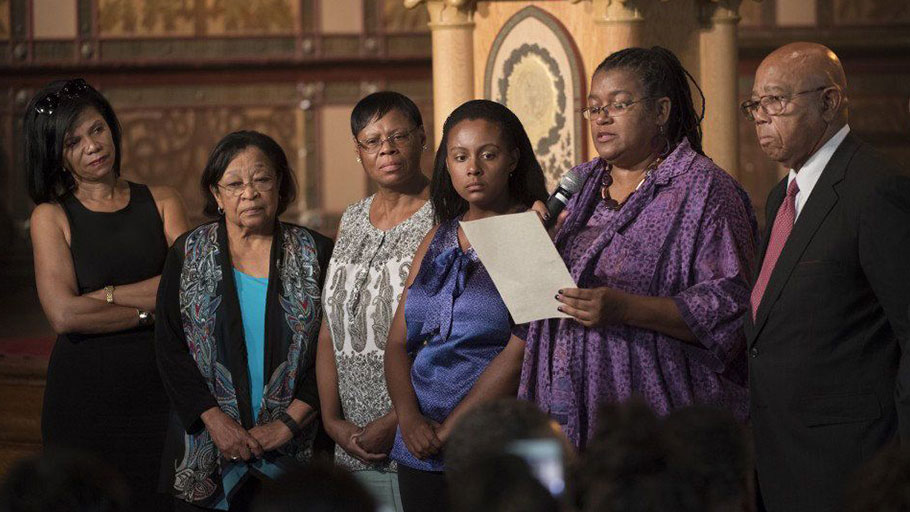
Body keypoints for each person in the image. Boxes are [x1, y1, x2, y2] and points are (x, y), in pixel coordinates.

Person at [520, 46, 758, 449]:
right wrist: (533, 248)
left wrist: (625, 309)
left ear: (661, 111)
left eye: (618, 104)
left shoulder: (706, 190)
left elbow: (731, 308)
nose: (602, 118)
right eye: (593, 108)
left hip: (656, 417)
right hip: (563, 407)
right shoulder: (579, 185)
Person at [743, 42, 910, 512]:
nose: (760, 116)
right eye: (755, 104)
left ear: (829, 102)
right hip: (780, 457)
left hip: (852, 466)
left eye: (776, 101)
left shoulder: (875, 189)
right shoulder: (782, 197)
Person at [24, 78, 189, 511]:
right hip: (84, 399)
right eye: (73, 141)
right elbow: (64, 314)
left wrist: (105, 295)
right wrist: (150, 312)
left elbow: (190, 288)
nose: (92, 145)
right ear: (58, 157)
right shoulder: (51, 217)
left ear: (112, 130)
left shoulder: (162, 201)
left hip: (161, 390)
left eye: (97, 130)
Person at [155, 131, 334, 511]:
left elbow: (330, 351)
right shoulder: (187, 254)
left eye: (262, 179)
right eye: (234, 184)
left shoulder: (315, 252)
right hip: (207, 450)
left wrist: (287, 424)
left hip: (294, 450)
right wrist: (215, 420)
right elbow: (170, 347)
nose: (249, 193)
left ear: (280, 184)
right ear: (217, 195)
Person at [384, 99, 548, 511]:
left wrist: (452, 429)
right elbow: (397, 343)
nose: (472, 168)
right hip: (418, 444)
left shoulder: (527, 234)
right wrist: (408, 419)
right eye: (460, 157)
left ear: (513, 159)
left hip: (490, 442)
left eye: (487, 154)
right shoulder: (438, 236)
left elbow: (521, 352)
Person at [315, 91, 434, 511]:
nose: (386, 148)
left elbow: (446, 337)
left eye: (398, 135)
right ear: (358, 151)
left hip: (414, 436)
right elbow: (330, 323)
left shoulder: (444, 218)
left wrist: (396, 420)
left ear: (422, 137)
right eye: (372, 140)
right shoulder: (351, 218)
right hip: (350, 441)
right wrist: (332, 422)